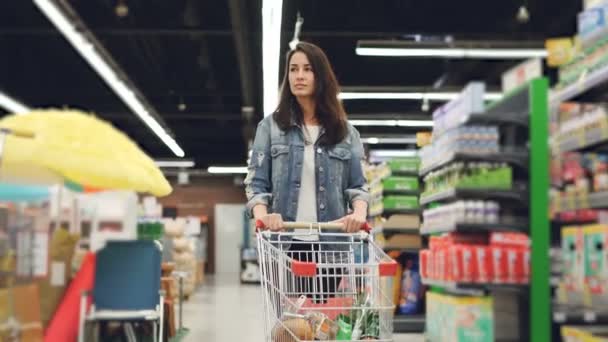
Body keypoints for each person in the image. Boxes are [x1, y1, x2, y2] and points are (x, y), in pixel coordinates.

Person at [244, 42, 369, 301]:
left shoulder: (347, 133)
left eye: (307, 69)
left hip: (331, 246)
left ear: (320, 76)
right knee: (289, 329)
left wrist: (358, 214)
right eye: (293, 69)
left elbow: (358, 186)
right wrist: (264, 216)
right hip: (284, 244)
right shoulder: (270, 128)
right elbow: (256, 183)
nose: (299, 76)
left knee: (321, 327)